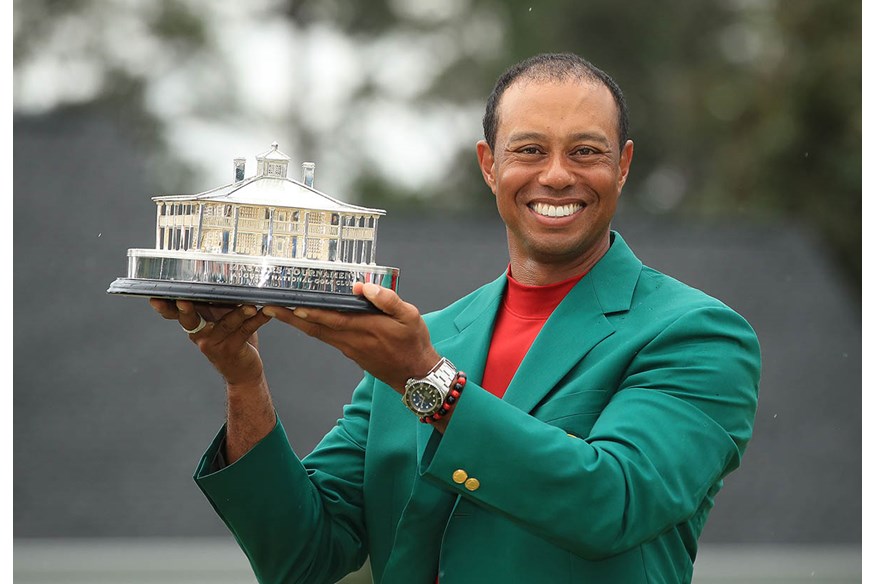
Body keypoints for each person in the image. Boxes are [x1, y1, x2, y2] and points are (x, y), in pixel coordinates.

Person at [150, 53, 760, 584]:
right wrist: (242, 379)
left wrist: (428, 382)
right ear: (489, 164)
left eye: (585, 151)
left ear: (622, 166)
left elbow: (614, 504)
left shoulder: (697, 334)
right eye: (528, 149)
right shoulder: (425, 341)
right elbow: (301, 559)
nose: (555, 174)